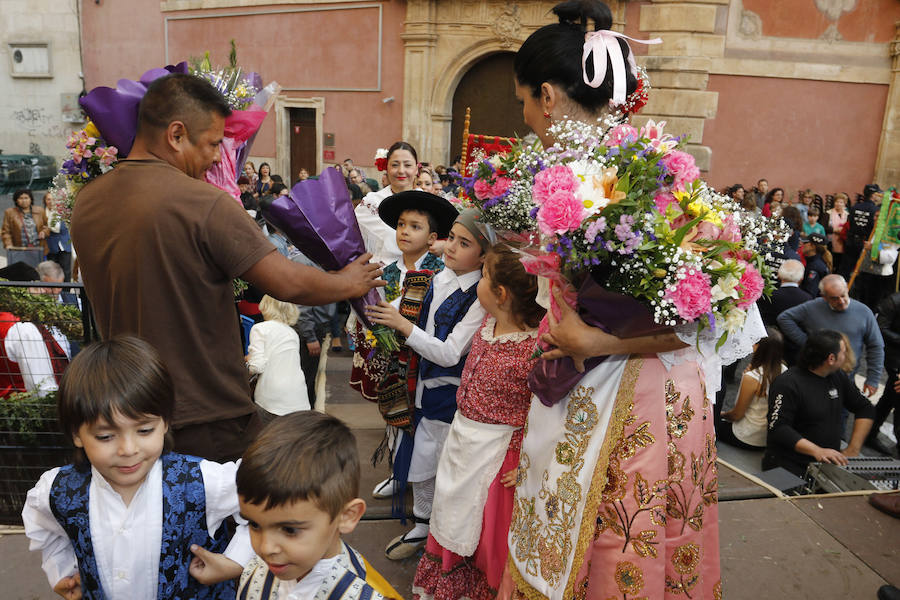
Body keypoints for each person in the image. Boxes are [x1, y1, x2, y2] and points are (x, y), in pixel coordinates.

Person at [501, 2, 765, 597]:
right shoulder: (601, 173)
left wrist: (600, 339)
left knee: (618, 541)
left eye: (522, 101)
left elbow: (717, 315)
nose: (525, 118)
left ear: (547, 96)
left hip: (641, 394)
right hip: (586, 382)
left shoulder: (652, 176)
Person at [71, 73, 383, 462]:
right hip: (206, 413)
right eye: (215, 143)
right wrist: (347, 282)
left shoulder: (87, 202)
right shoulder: (203, 203)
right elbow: (286, 282)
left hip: (127, 414)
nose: (220, 157)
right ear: (176, 135)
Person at [22, 337, 252, 600]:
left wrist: (235, 561)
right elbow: (45, 530)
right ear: (76, 434)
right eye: (106, 436)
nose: (128, 449)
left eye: (144, 430)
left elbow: (265, 497)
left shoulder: (201, 481)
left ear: (165, 423)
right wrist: (61, 571)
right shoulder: (57, 491)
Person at [413, 244, 544, 599]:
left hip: (499, 455)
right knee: (453, 516)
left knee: (487, 533)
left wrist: (535, 460)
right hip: (464, 443)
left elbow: (549, 410)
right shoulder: (488, 323)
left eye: (483, 277)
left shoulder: (536, 348)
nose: (478, 283)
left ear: (500, 294)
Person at [366, 208, 489, 560]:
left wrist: (403, 327)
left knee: (446, 464)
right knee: (422, 457)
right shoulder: (434, 279)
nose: (450, 248)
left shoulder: (480, 296)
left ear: (483, 256)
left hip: (450, 394)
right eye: (451, 237)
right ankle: (422, 524)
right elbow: (404, 308)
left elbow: (451, 353)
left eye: (463, 244)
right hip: (419, 384)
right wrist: (371, 303)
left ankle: (443, 532)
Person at [235, 411, 400, 599]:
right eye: (254, 525)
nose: (265, 548)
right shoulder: (257, 570)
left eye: (289, 530)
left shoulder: (363, 594)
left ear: (347, 516)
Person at [349, 190, 452, 403]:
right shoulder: (386, 273)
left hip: (428, 360)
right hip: (394, 363)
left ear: (432, 237)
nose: (405, 232)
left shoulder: (441, 274)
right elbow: (373, 314)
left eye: (415, 227)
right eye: (401, 225)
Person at [763, 329, 875, 476]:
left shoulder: (837, 376)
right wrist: (817, 450)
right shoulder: (787, 383)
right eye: (843, 351)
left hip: (827, 464)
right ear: (831, 359)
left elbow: (865, 408)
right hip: (788, 465)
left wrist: (853, 449)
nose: (846, 355)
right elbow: (778, 429)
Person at [778, 274, 884, 396]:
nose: (841, 301)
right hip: (815, 377)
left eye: (843, 295)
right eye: (834, 298)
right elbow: (784, 318)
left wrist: (873, 379)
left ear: (847, 289)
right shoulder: (813, 307)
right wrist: (805, 341)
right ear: (824, 297)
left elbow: (876, 346)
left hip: (846, 378)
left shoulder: (864, 312)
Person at [718, 329, 786, 449]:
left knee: (711, 425)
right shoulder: (784, 370)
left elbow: (736, 415)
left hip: (747, 436)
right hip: (766, 437)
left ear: (758, 347)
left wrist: (721, 414)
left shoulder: (752, 377)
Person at [354, 141, 419, 265]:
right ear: (386, 168)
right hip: (380, 277)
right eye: (395, 165)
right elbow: (350, 238)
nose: (401, 171)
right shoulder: (372, 202)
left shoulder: (429, 203)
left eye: (407, 165)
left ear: (416, 169)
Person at [247, 295, 309, 416]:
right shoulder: (292, 333)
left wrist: (247, 362)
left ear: (265, 306)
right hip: (298, 396)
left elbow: (257, 366)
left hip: (271, 398)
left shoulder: (259, 329)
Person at [868, 291, 900, 457]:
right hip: (895, 358)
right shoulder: (893, 301)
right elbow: (880, 327)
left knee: (889, 397)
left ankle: (870, 432)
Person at [840, 183, 881, 279]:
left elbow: (849, 222)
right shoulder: (876, 210)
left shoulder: (855, 207)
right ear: (873, 195)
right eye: (878, 194)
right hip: (865, 243)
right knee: (859, 270)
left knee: (845, 269)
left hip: (851, 241)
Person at [757, 259, 812, 328]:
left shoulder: (768, 296)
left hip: (771, 336)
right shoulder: (807, 299)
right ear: (802, 278)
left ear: (779, 275)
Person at [2, 189, 49, 260]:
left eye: (26, 198)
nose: (24, 201)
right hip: (19, 250)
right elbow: (6, 232)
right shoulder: (10, 213)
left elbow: (46, 226)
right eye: (21, 198)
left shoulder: (40, 210)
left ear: (31, 199)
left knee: (38, 269)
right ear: (16, 200)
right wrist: (9, 245)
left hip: (38, 249)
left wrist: (44, 232)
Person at [43, 192, 73, 281]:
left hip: (64, 245)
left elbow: (62, 228)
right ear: (45, 201)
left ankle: (66, 293)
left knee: (66, 271)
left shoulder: (64, 212)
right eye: (48, 199)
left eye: (53, 199)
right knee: (51, 271)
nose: (51, 201)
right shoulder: (41, 212)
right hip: (49, 247)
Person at [800, 232, 832, 298]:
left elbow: (810, 294)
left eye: (805, 243)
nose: (802, 244)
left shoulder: (814, 267)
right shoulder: (815, 262)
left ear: (812, 246)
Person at [827, 192, 849, 268]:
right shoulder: (828, 213)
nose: (838, 204)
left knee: (839, 262)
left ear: (844, 204)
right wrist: (834, 230)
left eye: (841, 202)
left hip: (842, 242)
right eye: (837, 202)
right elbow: (824, 227)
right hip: (830, 241)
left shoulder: (847, 215)